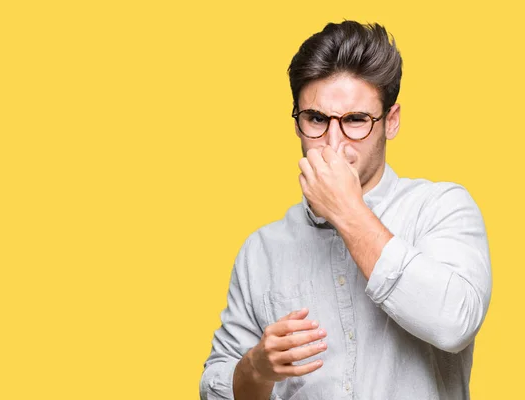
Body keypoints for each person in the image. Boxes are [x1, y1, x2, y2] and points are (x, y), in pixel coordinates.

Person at [199, 20, 492, 400]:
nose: (333, 144)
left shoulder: (441, 209)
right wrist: (256, 367)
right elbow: (216, 387)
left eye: (355, 120)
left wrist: (348, 211)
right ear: (297, 122)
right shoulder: (262, 250)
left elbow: (456, 323)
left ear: (391, 121)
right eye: (317, 120)